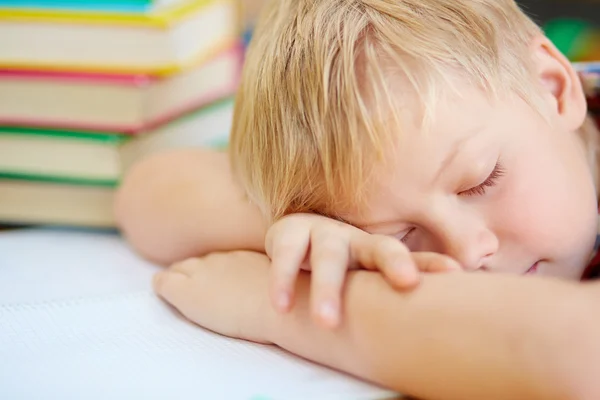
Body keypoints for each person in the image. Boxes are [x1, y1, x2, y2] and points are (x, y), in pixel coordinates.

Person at [116, 0, 600, 398]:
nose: (466, 251)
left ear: (553, 90)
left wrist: (291, 306)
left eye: (480, 180)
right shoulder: (475, 122)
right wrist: (303, 230)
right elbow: (144, 191)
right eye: (402, 235)